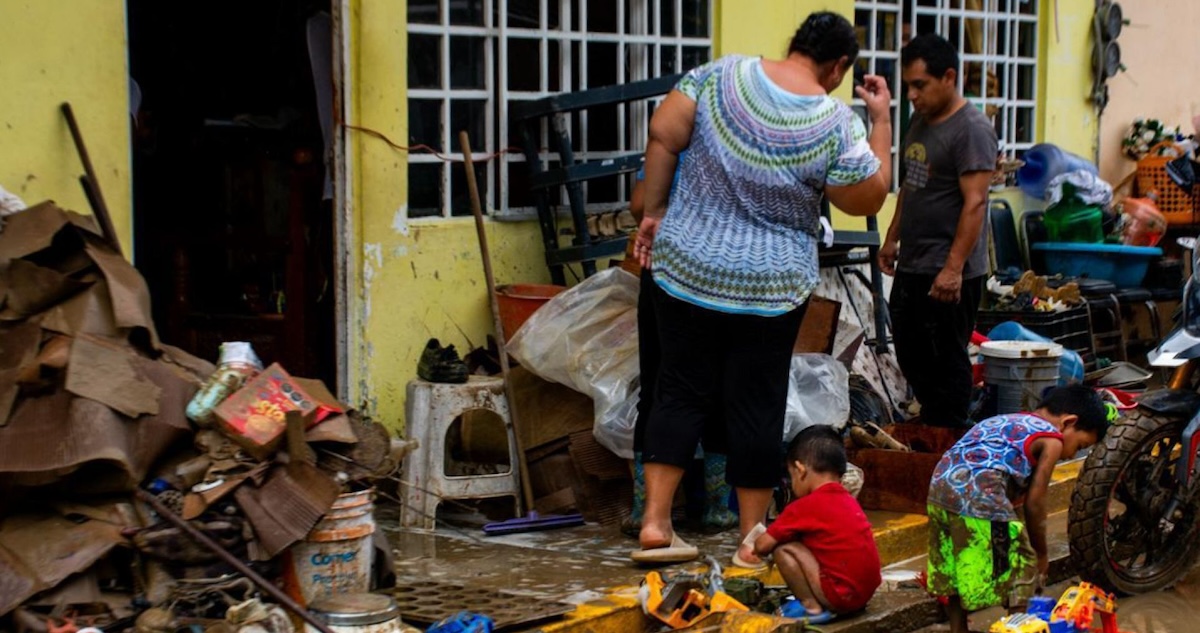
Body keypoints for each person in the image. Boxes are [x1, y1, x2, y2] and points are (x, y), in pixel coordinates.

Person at [629, 10, 893, 565]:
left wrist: (653, 212)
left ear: (795, 43)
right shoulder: (833, 120)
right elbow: (866, 197)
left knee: (678, 389)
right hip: (770, 284)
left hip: (687, 267)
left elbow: (663, 133)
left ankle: (655, 523)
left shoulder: (716, 76)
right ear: (839, 65)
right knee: (757, 400)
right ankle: (751, 535)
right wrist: (882, 124)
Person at [878, 33, 997, 428]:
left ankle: (949, 434)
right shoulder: (920, 121)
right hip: (915, 259)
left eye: (920, 85)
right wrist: (893, 235)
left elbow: (975, 202)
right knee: (910, 350)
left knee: (946, 356)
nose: (911, 94)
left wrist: (953, 268)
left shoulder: (972, 129)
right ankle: (934, 423)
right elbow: (911, 184)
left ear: (949, 77)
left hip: (950, 269)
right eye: (908, 85)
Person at [925, 385, 1110, 633]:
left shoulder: (1010, 420)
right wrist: (1041, 554)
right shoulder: (1052, 439)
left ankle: (959, 630)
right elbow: (1035, 502)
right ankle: (1020, 627)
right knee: (1023, 566)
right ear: (1068, 422)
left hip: (939, 489)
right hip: (980, 494)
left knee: (955, 571)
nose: (1071, 454)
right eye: (1078, 446)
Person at [623, 155, 740, 538]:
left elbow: (639, 205)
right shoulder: (739, 135)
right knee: (722, 387)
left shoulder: (667, 143)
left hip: (663, 266)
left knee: (658, 386)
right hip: (721, 268)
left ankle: (646, 510)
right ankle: (716, 509)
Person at [751, 426, 881, 623]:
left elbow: (762, 546)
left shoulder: (803, 507)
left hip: (840, 597)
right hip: (864, 595)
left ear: (800, 470)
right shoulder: (848, 500)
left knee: (783, 549)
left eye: (791, 475)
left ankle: (811, 607)